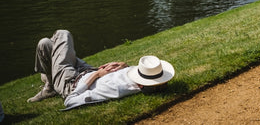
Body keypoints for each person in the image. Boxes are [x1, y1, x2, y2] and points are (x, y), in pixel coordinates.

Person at [27, 30, 175, 110]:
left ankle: (51, 86)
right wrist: (122, 66)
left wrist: (97, 75)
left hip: (71, 81)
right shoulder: (144, 74)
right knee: (45, 45)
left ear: (142, 84)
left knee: (60, 36)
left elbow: (70, 101)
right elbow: (136, 70)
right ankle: (51, 83)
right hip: (87, 70)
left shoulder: (116, 89)